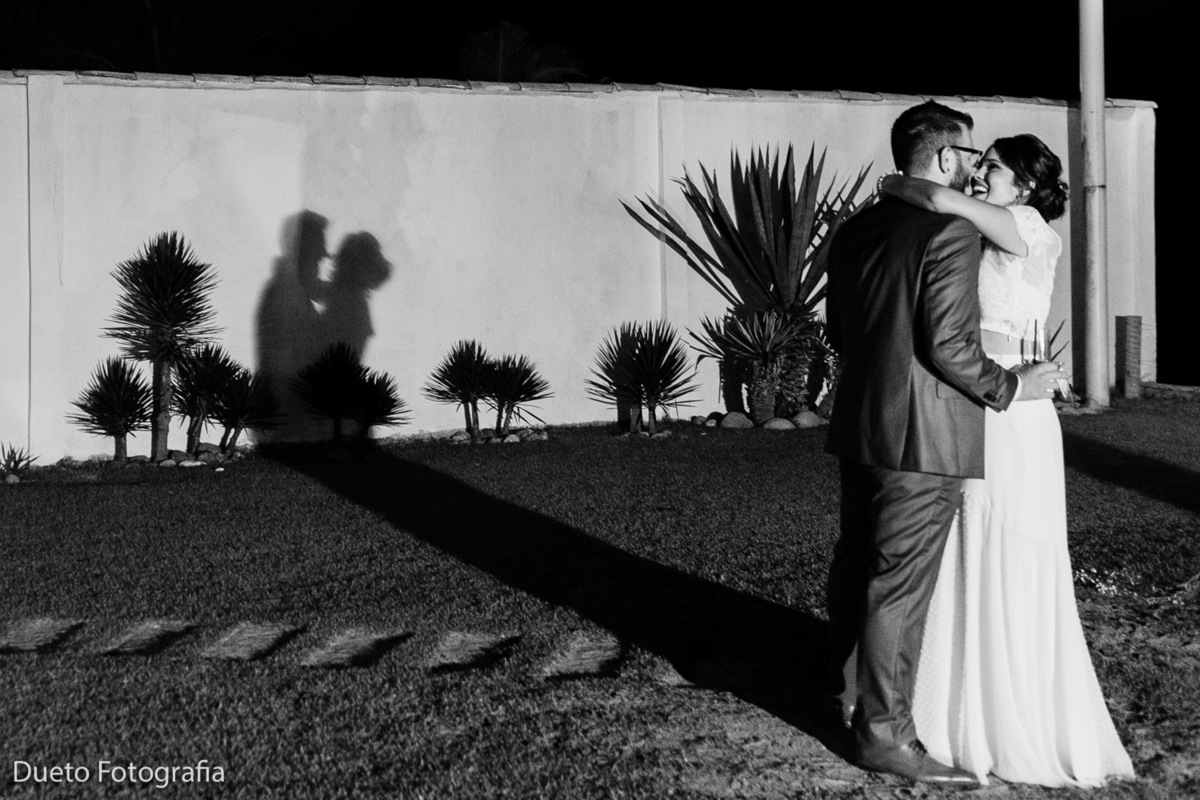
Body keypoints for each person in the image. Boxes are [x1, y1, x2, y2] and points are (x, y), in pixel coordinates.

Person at [879, 135, 1136, 787]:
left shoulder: (1023, 224)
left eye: (992, 163)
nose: (979, 170)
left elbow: (935, 192)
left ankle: (1004, 711)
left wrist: (891, 183)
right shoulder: (989, 227)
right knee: (970, 547)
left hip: (1012, 414)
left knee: (1005, 548)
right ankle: (954, 705)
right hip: (991, 400)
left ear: (1022, 187)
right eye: (978, 159)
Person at [823, 101, 1065, 786]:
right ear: (950, 158)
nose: (977, 165)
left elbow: (842, 333)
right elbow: (950, 349)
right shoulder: (949, 233)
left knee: (858, 569)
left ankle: (849, 695)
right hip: (926, 437)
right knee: (894, 586)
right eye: (972, 154)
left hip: (862, 427)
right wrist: (1014, 388)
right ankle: (885, 737)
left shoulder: (855, 230)